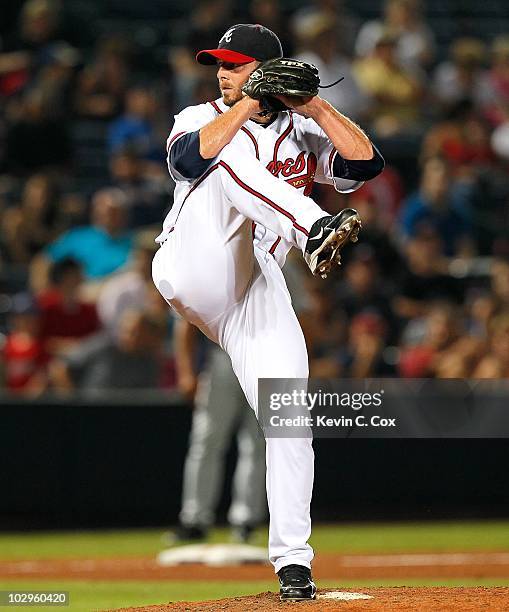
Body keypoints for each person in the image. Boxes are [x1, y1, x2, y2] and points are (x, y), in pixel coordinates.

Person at [151, 24, 384, 601]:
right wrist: (254, 97)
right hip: (193, 257)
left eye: (233, 65)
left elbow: (364, 166)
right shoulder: (197, 115)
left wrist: (316, 105)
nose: (220, 73)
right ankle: (313, 228)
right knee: (226, 157)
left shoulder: (302, 130)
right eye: (219, 65)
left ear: (265, 68)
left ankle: (293, 566)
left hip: (252, 281)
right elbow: (187, 162)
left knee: (288, 413)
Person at [171, 319, 267, 544]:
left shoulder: (283, 281)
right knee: (206, 442)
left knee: (258, 444)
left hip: (265, 356)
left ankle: (246, 520)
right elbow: (185, 321)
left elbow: (304, 317)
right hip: (221, 357)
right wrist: (186, 371)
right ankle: (194, 519)